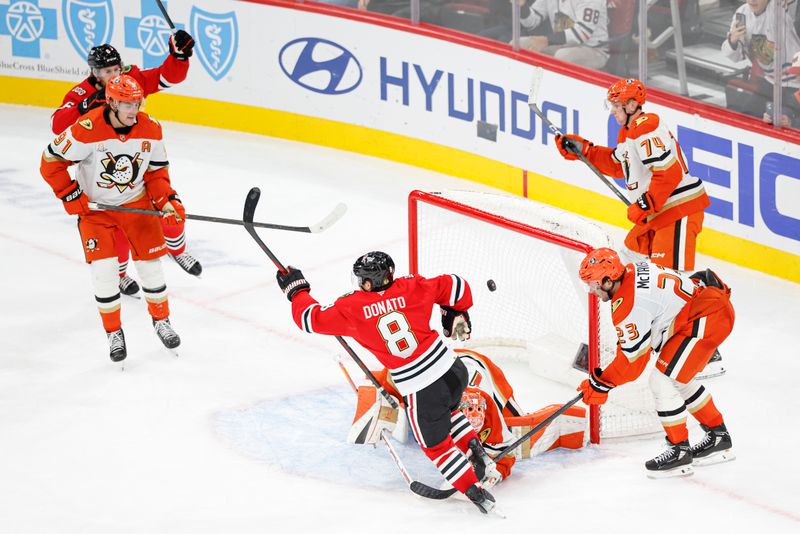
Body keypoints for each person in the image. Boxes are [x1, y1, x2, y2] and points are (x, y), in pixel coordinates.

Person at [276, 251, 499, 514]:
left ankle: (477, 494)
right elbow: (457, 285)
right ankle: (476, 451)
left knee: (436, 447)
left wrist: (297, 289)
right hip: (453, 370)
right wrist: (453, 311)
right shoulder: (413, 285)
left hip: (422, 386)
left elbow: (309, 318)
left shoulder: (351, 308)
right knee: (448, 411)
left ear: (368, 282)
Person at [40, 75, 184, 363]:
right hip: (97, 212)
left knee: (151, 267)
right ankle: (113, 332)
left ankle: (162, 321)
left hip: (136, 204)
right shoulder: (86, 129)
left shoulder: (151, 128)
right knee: (105, 273)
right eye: (127, 104)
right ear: (111, 102)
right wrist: (70, 193)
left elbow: (156, 173)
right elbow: (50, 162)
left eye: (137, 103)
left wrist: (166, 200)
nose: (134, 110)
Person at [51, 35, 202, 298]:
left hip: (137, 163)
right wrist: (83, 107)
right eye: (108, 71)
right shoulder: (81, 93)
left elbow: (166, 77)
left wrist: (179, 57)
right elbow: (57, 125)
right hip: (103, 172)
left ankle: (178, 250)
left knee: (170, 207)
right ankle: (119, 275)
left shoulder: (130, 81)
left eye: (116, 69)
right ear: (95, 73)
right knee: (116, 232)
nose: (114, 75)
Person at [575, 248, 735, 477]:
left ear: (608, 281)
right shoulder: (630, 271)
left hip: (707, 317)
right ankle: (718, 436)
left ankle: (679, 451)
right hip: (703, 310)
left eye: (593, 285)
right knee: (678, 378)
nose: (592, 292)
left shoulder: (628, 305)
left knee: (661, 380)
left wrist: (602, 383)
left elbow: (634, 363)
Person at [349, 348, 588, 482]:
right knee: (414, 397)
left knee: (516, 425)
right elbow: (380, 379)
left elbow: (515, 447)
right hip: (450, 372)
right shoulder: (436, 404)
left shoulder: (491, 414)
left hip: (483, 370)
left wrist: (496, 474)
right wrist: (374, 410)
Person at [554, 78, 710, 272]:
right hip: (657, 214)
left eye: (616, 106)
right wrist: (585, 151)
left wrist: (646, 204)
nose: (612, 111)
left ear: (632, 105)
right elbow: (618, 166)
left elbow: (669, 172)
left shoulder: (647, 125)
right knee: (627, 264)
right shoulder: (627, 132)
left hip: (677, 210)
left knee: (671, 281)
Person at [722, 0, 800, 127]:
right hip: (770, 82)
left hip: (796, 84)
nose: (752, 0)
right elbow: (736, 57)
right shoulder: (742, 13)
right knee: (744, 116)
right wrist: (732, 40)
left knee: (784, 121)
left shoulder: (780, 7)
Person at [516, 0, 609, 70]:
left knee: (562, 56)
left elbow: (582, 33)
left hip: (594, 50)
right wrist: (522, 7)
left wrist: (546, 40)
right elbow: (532, 21)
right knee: (518, 44)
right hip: (560, 45)